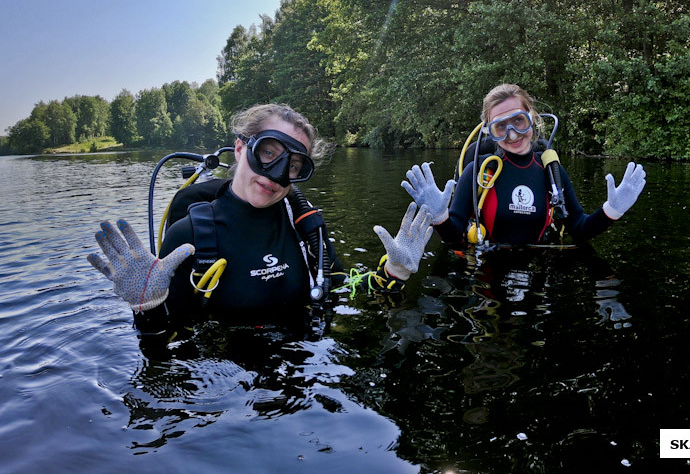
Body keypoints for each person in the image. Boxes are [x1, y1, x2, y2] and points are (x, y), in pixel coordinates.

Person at [88, 103, 433, 343]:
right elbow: (163, 348)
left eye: (294, 166)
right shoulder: (190, 234)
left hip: (301, 380)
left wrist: (395, 273)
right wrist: (147, 309)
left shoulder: (306, 226)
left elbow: (343, 293)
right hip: (223, 394)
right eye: (269, 153)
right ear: (240, 148)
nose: (278, 174)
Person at [402, 83, 646, 246]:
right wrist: (440, 217)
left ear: (533, 118)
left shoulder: (552, 173)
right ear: (490, 131)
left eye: (519, 121)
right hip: (486, 280)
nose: (511, 134)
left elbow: (580, 229)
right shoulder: (477, 171)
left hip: (538, 283)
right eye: (501, 127)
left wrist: (611, 211)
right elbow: (455, 239)